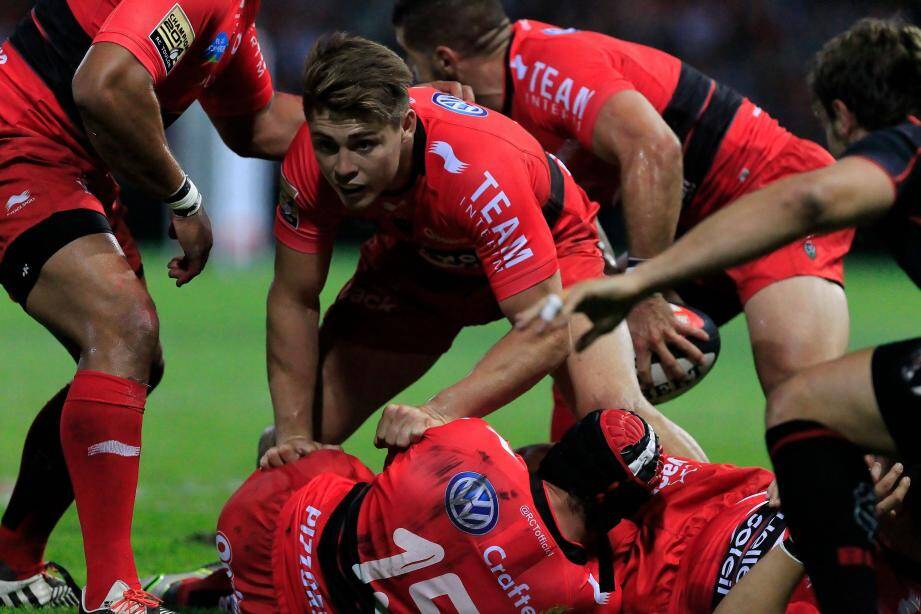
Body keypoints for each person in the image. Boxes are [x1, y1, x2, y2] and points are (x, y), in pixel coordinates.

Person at [520, 17, 921, 614]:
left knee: (805, 404)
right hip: (698, 527)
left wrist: (646, 280)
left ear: (840, 117)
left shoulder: (902, 149)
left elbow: (808, 200)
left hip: (692, 569)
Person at [391, 0, 854, 440]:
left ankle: (859, 507)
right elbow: (577, 217)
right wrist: (613, 287)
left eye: (414, 64)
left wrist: (643, 289)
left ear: (445, 61)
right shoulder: (496, 117)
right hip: (689, 233)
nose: (416, 81)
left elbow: (655, 148)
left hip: (772, 193)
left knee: (799, 396)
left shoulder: (544, 65)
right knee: (586, 392)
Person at [258, 32, 704, 469]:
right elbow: (294, 299)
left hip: (550, 251)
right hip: (421, 261)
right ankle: (275, 536)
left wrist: (439, 411)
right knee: (294, 437)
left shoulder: (478, 171)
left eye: (364, 145)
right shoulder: (308, 166)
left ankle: (742, 514)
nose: (343, 169)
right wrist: (294, 433)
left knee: (615, 415)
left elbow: (545, 330)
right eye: (327, 145)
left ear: (406, 125)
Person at [0, 0, 309, 609]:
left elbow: (261, 124)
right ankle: (114, 591)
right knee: (122, 329)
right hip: (20, 137)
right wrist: (186, 198)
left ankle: (11, 558)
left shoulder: (236, 15)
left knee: (134, 356)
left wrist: (403, 110)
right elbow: (104, 83)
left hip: (72, 162)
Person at [218, 409, 661, 612]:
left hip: (256, 529)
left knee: (331, 464)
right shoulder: (587, 595)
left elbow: (400, 459)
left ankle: (214, 584)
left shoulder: (474, 443)